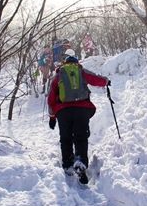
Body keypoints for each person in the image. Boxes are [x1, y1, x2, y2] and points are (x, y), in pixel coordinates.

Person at [47, 49, 110, 184]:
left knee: (66, 138)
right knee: (81, 137)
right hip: (82, 110)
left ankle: (68, 165)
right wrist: (106, 82)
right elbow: (96, 79)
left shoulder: (58, 75)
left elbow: (51, 98)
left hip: (63, 112)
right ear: (76, 61)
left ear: (64, 62)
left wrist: (52, 117)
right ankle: (80, 162)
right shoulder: (81, 71)